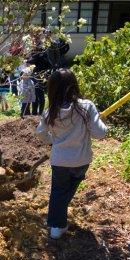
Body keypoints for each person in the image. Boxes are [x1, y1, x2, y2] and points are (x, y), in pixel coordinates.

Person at [36, 69, 107, 239]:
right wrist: (101, 123)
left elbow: (40, 133)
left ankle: (56, 226)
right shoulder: (86, 107)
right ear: (74, 85)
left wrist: (51, 140)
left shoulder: (50, 111)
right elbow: (100, 133)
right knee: (68, 189)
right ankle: (58, 220)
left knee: (59, 191)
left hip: (60, 160)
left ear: (52, 89)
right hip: (81, 160)